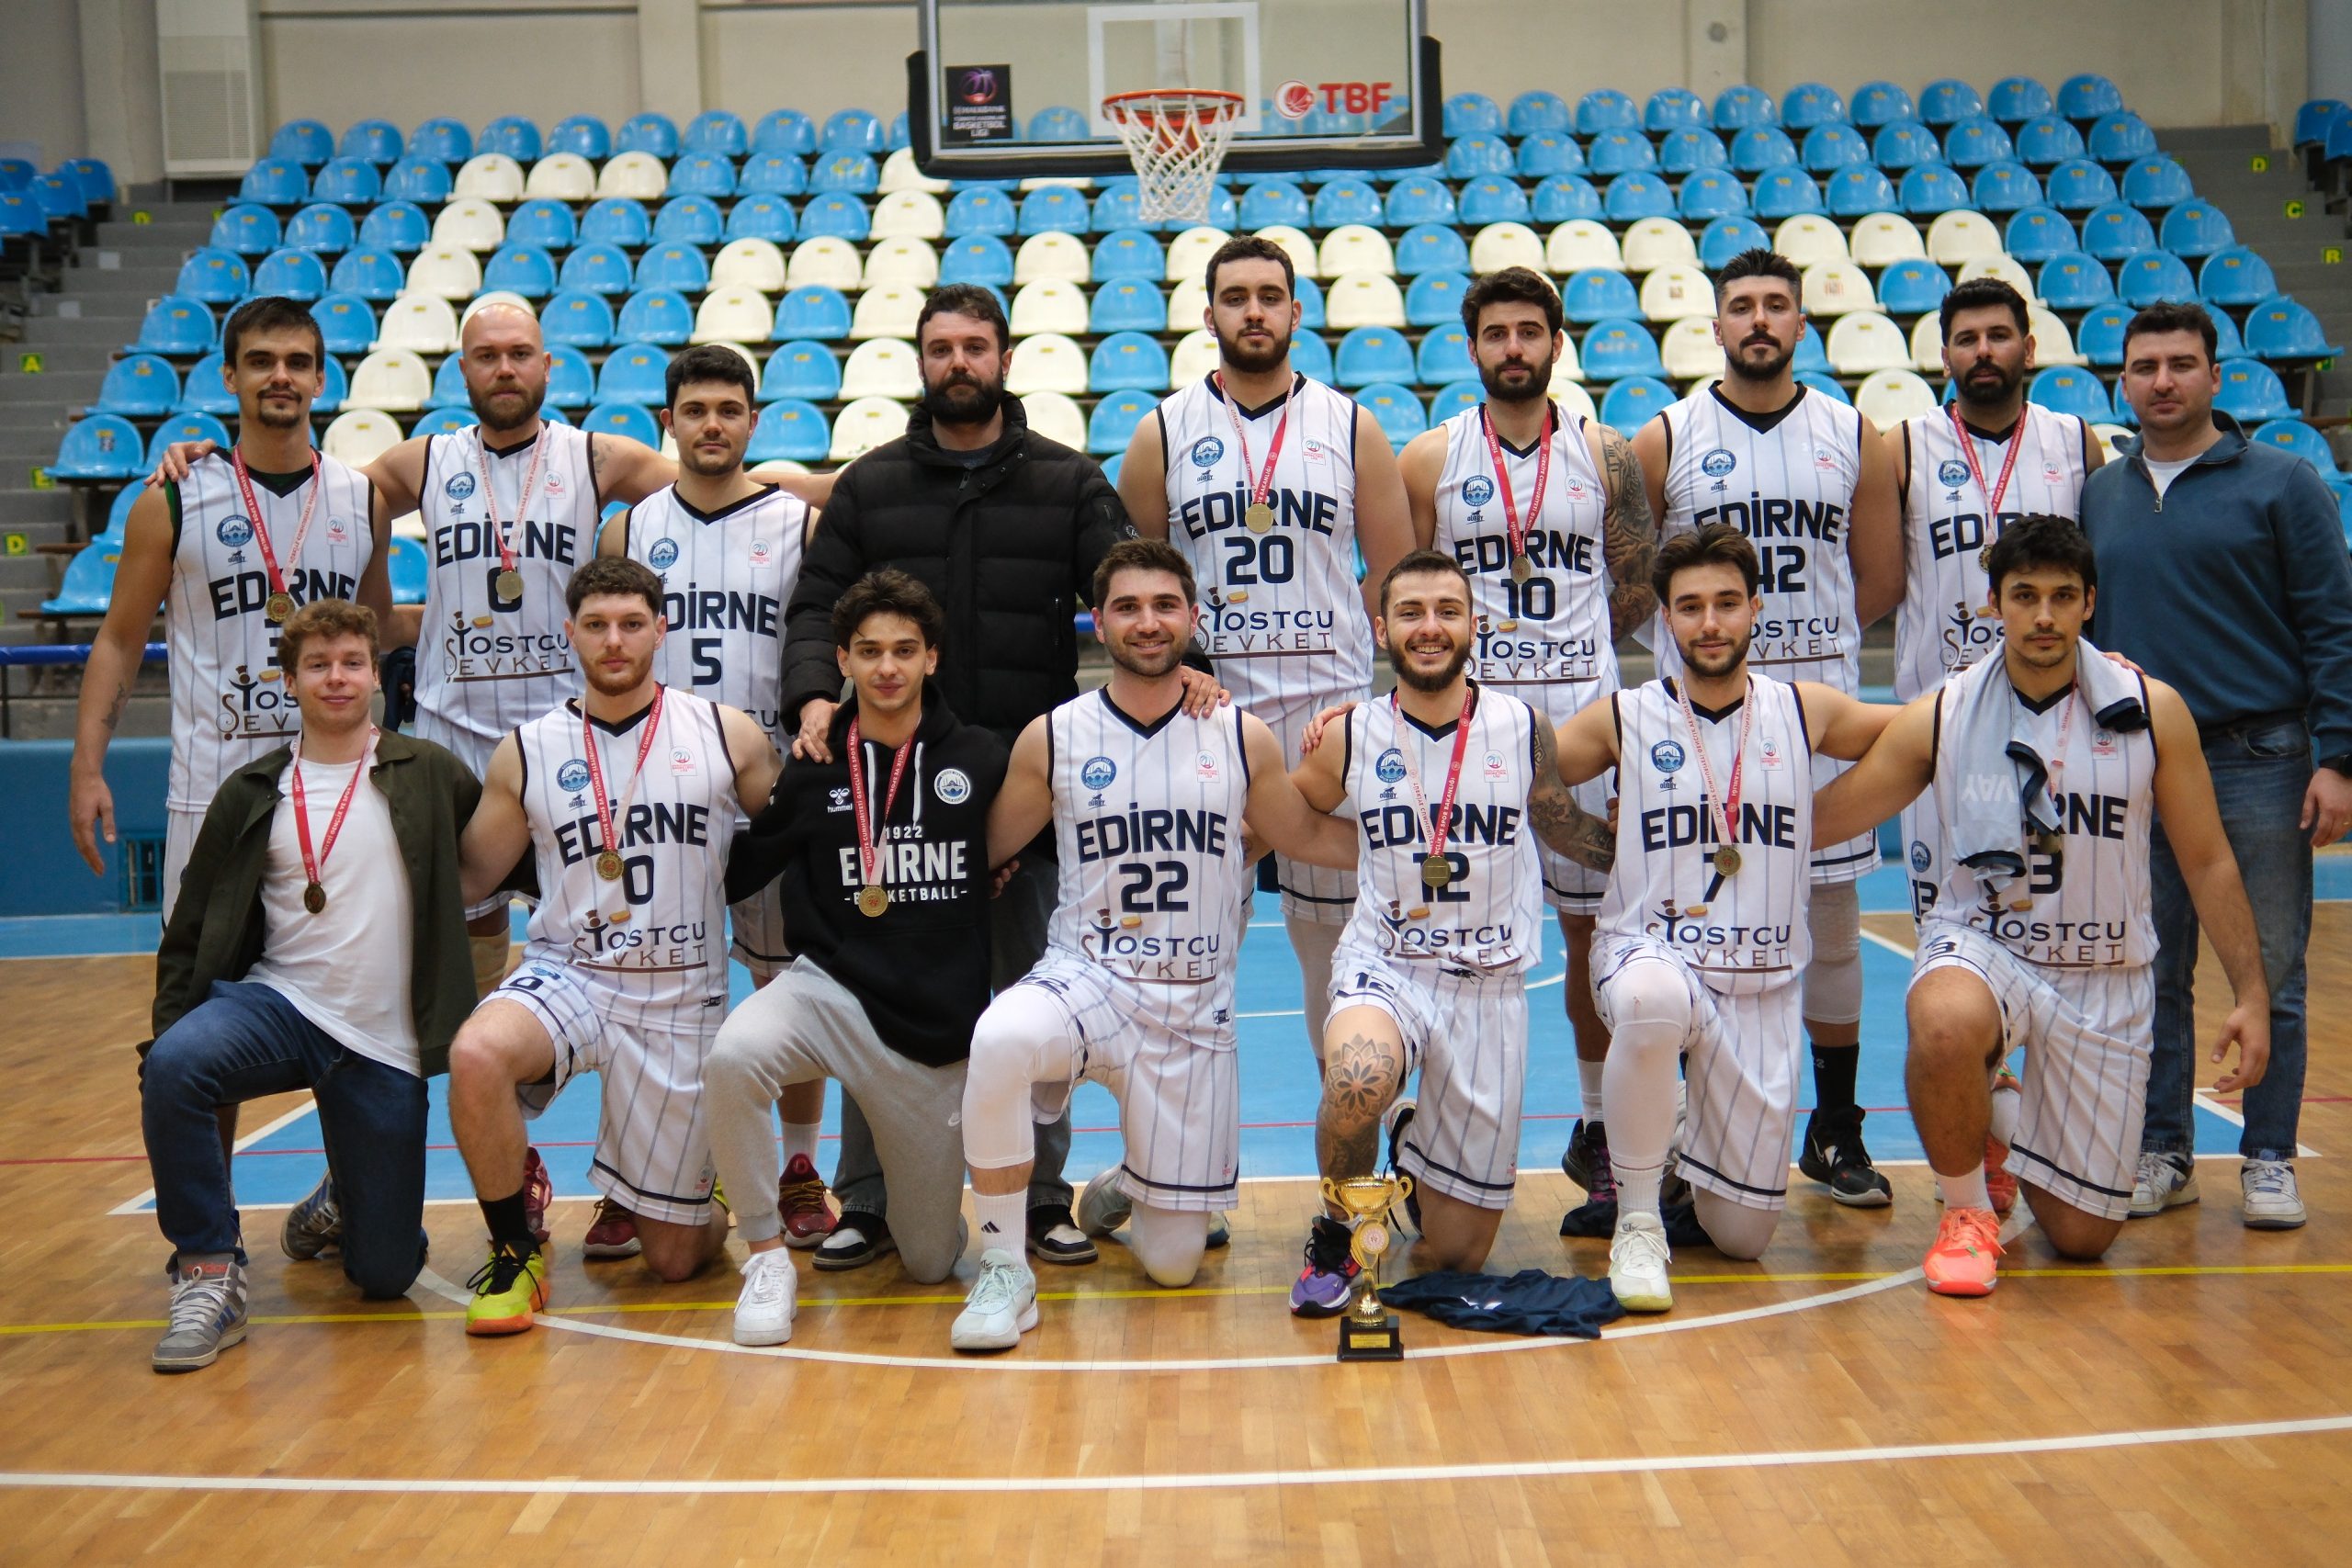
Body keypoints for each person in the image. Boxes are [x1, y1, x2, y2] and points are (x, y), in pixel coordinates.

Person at [777, 283, 1207, 1271]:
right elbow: (814, 608)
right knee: (873, 993)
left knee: (1035, 1000)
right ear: (919, 360)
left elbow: (1132, 586)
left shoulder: (1065, 480)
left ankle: (1046, 1196)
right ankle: (872, 1199)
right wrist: (810, 692)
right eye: (940, 347)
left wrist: (1193, 671)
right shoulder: (870, 486)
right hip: (897, 796)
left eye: (975, 346)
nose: (957, 363)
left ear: (1004, 358)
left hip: (1029, 791)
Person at [1813, 515, 2269, 1294]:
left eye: (2063, 596)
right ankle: (1965, 1211)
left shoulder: (2152, 709)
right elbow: (1832, 816)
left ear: (2091, 603)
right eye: (2024, 596)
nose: (2045, 616)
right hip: (1987, 945)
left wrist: (2252, 993)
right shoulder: (1946, 711)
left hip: (2104, 972)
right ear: (1994, 604)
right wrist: (1715, 809)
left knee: (2083, 1238)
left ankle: (1998, 1114)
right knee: (1945, 1018)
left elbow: (2207, 858)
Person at [949, 539, 1357, 1352]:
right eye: (1127, 607)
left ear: (1193, 618)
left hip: (1190, 1005)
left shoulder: (1241, 736)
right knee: (998, 1037)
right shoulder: (1055, 735)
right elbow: (985, 846)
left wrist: (1407, 840)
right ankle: (1003, 1268)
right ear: (1097, 620)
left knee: (1172, 1265)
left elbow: (1302, 832)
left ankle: (1125, 1185)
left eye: (1164, 605)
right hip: (1086, 977)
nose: (1146, 621)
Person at [1550, 524, 1896, 1311]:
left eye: (1727, 604)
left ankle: (1673, 1123)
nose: (1710, 622)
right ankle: (1639, 1219)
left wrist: (1825, 818)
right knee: (1648, 1001)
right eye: (1691, 606)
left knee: (1742, 1236)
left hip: (1759, 982)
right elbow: (1513, 762)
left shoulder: (1803, 709)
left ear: (1755, 609)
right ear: (1666, 619)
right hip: (1649, 952)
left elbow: (1921, 732)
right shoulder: (1624, 716)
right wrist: (1596, 840)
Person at [1628, 248, 1903, 1208]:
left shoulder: (1851, 432)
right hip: (1697, 730)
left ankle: (1832, 1129)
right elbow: (1634, 588)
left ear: (1799, 324)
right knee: (1689, 934)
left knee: (1830, 932)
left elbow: (1881, 575)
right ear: (1714, 326)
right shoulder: (1664, 437)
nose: (1757, 320)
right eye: (1739, 306)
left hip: (1808, 718)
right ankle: (1674, 1141)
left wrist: (1802, 655)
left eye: (1775, 306)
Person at [137, 599, 479, 1371]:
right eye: (318, 665)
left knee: (387, 1273)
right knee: (178, 1064)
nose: (337, 678)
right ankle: (208, 1267)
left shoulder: (429, 772)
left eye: (352, 662)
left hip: (384, 1042)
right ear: (288, 681)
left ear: (377, 676)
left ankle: (341, 1201)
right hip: (280, 1005)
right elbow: (189, 935)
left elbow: (507, 850)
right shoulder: (252, 790)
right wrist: (167, 1037)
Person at [447, 557, 780, 1335]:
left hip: (681, 994)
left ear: (661, 630)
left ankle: (701, 1183)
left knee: (673, 1259)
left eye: (632, 623)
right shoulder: (526, 749)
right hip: (570, 972)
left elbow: (791, 836)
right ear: (570, 633)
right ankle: (515, 1247)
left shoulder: (726, 733)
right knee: (476, 1053)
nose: (614, 640)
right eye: (596, 625)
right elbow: (470, 879)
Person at [2080, 300, 2352, 1229]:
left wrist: (2339, 758)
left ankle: (2268, 1156)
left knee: (2267, 971)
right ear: (2122, 379)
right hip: (2138, 767)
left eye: (2180, 364)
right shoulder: (2099, 495)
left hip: (2259, 760)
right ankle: (2165, 1151)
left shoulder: (2283, 484)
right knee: (2150, 971)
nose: (2162, 381)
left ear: (2214, 377)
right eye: (2145, 365)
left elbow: (2332, 625)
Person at [1284, 551, 1616, 1308]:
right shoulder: (1351, 733)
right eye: (1410, 613)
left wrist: (1638, 843)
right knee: (1357, 1075)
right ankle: (1336, 1233)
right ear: (1381, 629)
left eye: (1446, 611)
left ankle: (1410, 1149)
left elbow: (1559, 825)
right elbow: (1291, 814)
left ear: (1476, 626)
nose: (1429, 628)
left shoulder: (1524, 727)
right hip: (1387, 964)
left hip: (1490, 984)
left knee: (1457, 1252)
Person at [1119, 234, 1417, 1071]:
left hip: (1332, 719)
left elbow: (1391, 577)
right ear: (1207, 313)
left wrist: (1357, 675)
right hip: (1211, 716)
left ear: (1295, 309)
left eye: (1269, 295)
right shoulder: (1162, 432)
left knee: (1340, 965)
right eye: (1235, 296)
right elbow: (1141, 578)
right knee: (1196, 952)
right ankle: (1187, 1165)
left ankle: (1350, 1170)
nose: (1254, 310)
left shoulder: (1352, 424)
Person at [1399, 265, 1657, 1213]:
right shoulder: (1430, 458)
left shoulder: (1608, 455)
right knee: (1452, 943)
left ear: (1556, 344)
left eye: (1529, 332)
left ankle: (1594, 1132)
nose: (1513, 347)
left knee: (1596, 940)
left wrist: (1574, 655)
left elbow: (1635, 587)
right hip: (1471, 734)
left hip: (1585, 724)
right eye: (1495, 333)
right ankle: (1436, 1137)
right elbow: (1409, 595)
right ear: (1472, 349)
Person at [706, 571, 1008, 1345]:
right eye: (868, 651)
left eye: (905, 650)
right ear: (841, 657)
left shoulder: (979, 758)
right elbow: (740, 867)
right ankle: (767, 1256)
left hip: (933, 1036)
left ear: (932, 659)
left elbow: (1030, 848)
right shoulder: (811, 764)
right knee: (735, 1055)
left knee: (932, 1261)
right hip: (827, 994)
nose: (886, 668)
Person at [593, 344, 832, 1263]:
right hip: (655, 798)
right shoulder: (630, 529)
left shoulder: (794, 522)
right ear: (668, 422)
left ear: (753, 422)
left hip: (765, 789)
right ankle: (629, 1179)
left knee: (789, 983)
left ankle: (800, 1166)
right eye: (694, 409)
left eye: (729, 409)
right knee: (639, 992)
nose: (711, 424)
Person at [71, 295, 391, 914]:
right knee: (200, 996)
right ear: (229, 376)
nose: (280, 376)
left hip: (336, 789)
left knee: (336, 992)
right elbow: (119, 640)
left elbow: (380, 635)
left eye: (298, 363)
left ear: (320, 379)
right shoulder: (173, 500)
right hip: (210, 792)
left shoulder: (362, 500)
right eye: (260, 361)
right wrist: (87, 768)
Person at [1887, 276, 2102, 916]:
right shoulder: (1899, 447)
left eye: (1999, 336)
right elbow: (1877, 581)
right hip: (1940, 718)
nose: (1983, 350)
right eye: (1966, 339)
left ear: (2028, 348)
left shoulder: (2076, 441)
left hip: (2056, 720)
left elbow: (2096, 583)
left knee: (2056, 918)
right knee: (1945, 927)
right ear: (1944, 355)